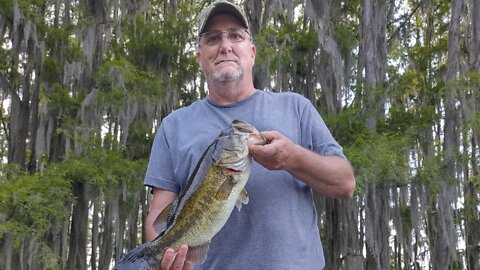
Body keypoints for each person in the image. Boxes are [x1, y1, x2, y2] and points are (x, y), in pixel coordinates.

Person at [144, 1, 356, 269]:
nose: (225, 45)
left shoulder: (296, 107)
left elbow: (345, 183)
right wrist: (164, 260)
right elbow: (158, 217)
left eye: (235, 35)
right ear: (200, 58)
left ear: (252, 52)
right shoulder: (173, 126)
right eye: (212, 38)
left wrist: (293, 158)